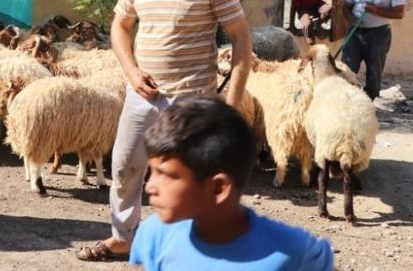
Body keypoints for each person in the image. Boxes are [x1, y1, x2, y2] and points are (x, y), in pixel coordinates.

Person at [76, 0, 252, 261]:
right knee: (125, 166)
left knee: (184, 178)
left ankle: (185, 247)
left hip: (191, 100)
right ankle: (123, 238)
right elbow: (120, 26)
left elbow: (240, 36)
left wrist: (232, 106)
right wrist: (132, 71)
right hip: (142, 95)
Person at [129, 96, 334, 270]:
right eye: (152, 172)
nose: (150, 186)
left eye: (166, 175)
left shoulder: (297, 252)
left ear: (218, 188)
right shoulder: (153, 235)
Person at [341, 0, 406, 100]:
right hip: (355, 33)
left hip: (378, 34)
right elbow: (346, 7)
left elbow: (399, 13)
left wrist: (377, 10)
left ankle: (371, 101)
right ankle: (346, 98)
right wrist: (351, 19)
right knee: (347, 68)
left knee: (374, 71)